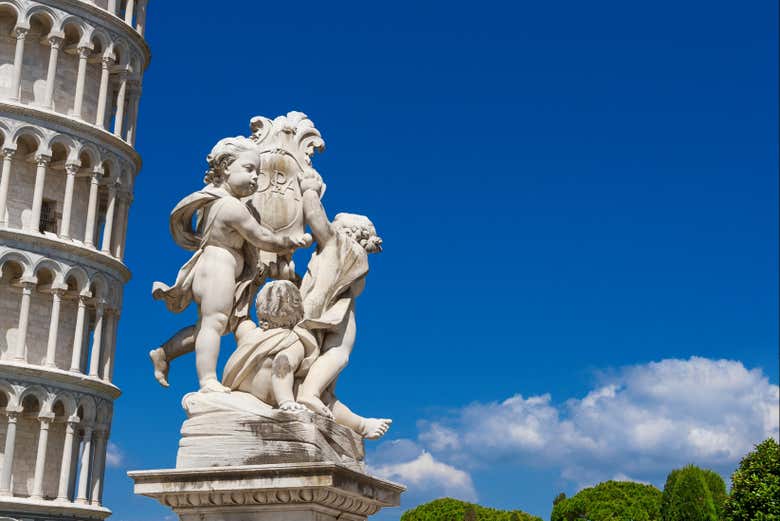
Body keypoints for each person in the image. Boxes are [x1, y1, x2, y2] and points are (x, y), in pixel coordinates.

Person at [151, 136, 311, 393]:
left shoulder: (213, 200)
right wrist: (290, 241)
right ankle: (207, 381)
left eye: (258, 173)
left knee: (211, 325)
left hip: (216, 268)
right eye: (249, 169)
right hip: (219, 267)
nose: (256, 178)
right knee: (214, 325)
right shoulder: (230, 206)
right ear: (226, 167)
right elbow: (261, 237)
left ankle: (164, 353)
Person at [294, 171, 391, 439]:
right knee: (339, 355)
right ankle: (309, 394)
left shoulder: (342, 246)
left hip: (332, 309)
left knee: (330, 383)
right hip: (326, 311)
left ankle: (356, 422)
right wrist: (310, 190)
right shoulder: (341, 245)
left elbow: (318, 222)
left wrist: (310, 190)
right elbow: (316, 219)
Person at [222, 280, 319, 411]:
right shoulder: (292, 340)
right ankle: (357, 424)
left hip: (237, 394)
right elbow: (282, 363)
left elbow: (239, 316)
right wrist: (286, 400)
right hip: (267, 400)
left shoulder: (249, 332)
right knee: (310, 390)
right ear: (298, 310)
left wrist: (250, 280)